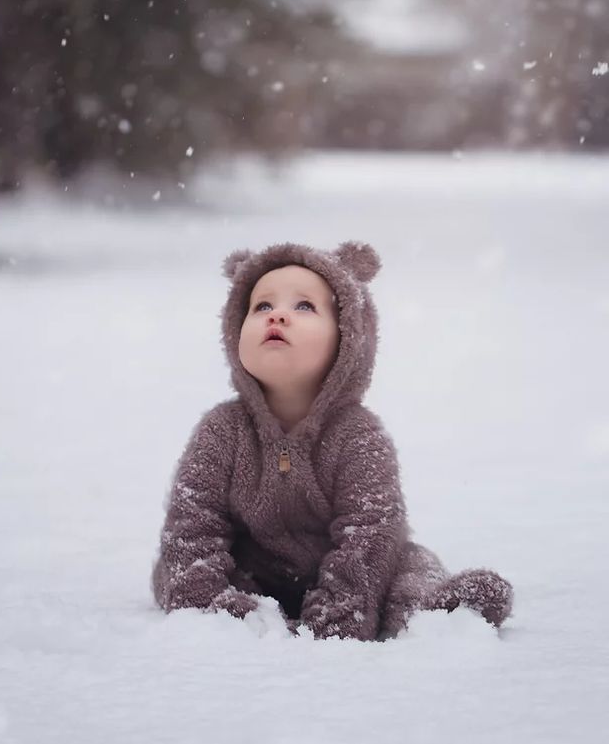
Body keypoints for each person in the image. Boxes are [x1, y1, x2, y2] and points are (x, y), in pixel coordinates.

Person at [151, 241, 513, 640]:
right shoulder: (221, 432)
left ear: (347, 338)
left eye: (304, 306)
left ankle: (430, 615)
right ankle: (231, 615)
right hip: (251, 574)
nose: (279, 316)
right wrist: (209, 596)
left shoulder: (359, 437)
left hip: (347, 573)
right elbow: (191, 527)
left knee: (408, 564)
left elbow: (370, 533)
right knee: (180, 571)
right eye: (262, 307)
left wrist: (340, 612)